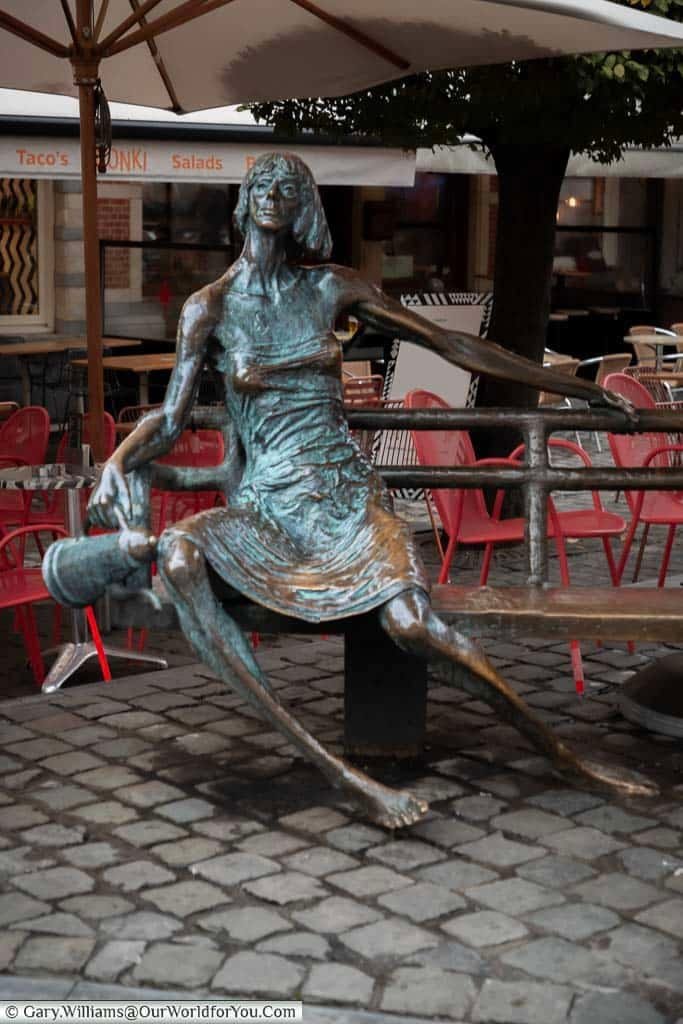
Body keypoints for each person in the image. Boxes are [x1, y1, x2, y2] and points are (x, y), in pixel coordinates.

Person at [84, 152, 652, 828]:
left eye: (287, 185)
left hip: (346, 500)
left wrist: (577, 390)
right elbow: (171, 418)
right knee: (178, 556)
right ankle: (339, 771)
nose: (273, 193)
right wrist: (118, 458)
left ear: (303, 205)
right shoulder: (209, 308)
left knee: (412, 625)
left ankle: (566, 757)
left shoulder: (331, 289)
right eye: (261, 183)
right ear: (242, 202)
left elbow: (454, 346)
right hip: (267, 510)